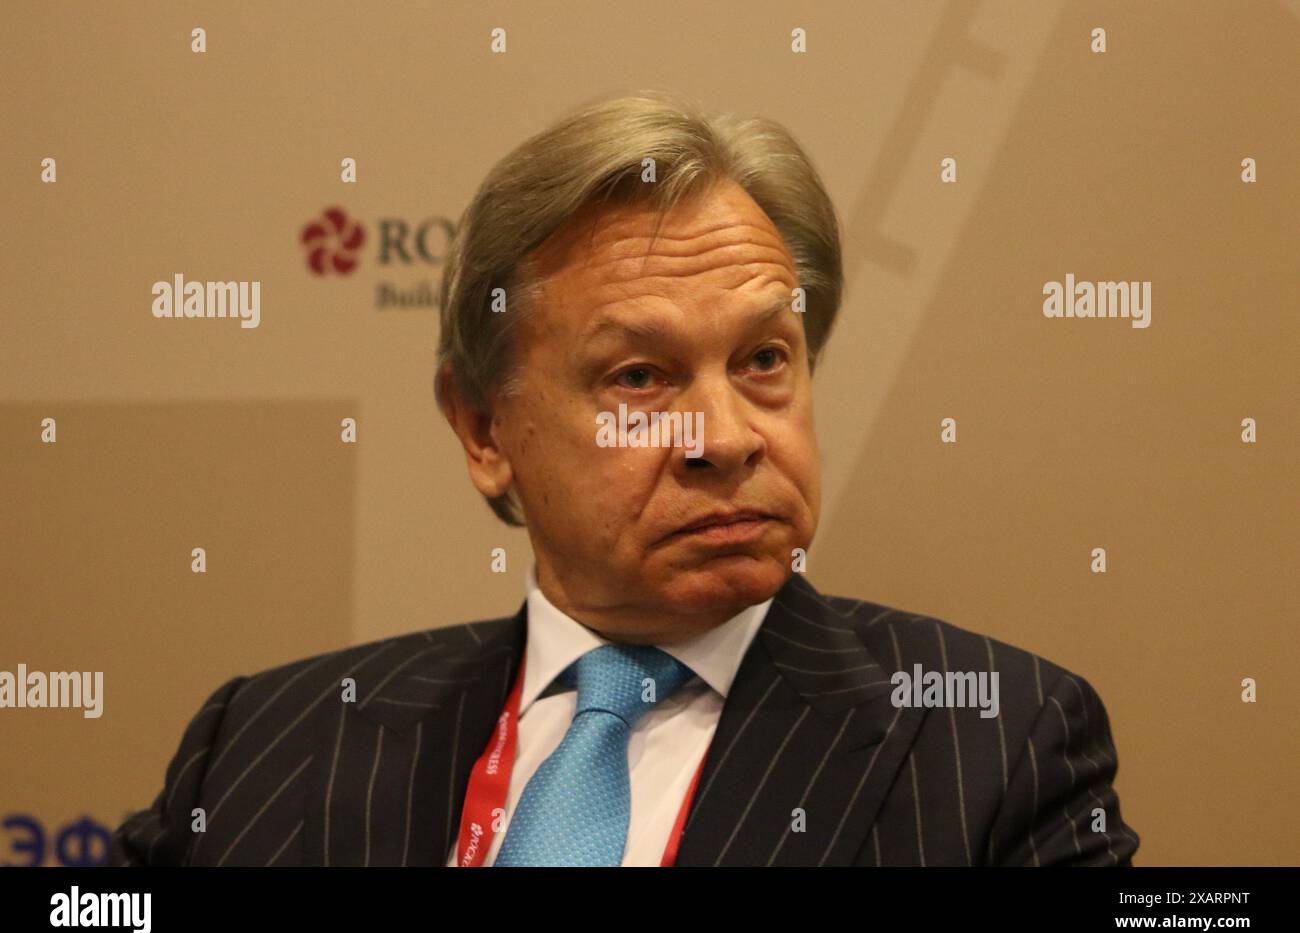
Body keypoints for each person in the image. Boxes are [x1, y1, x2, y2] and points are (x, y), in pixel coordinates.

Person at [111, 89, 1139, 867]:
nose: (726, 437)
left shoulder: (992, 743)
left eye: (764, 360)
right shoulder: (273, 739)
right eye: (641, 376)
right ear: (483, 428)